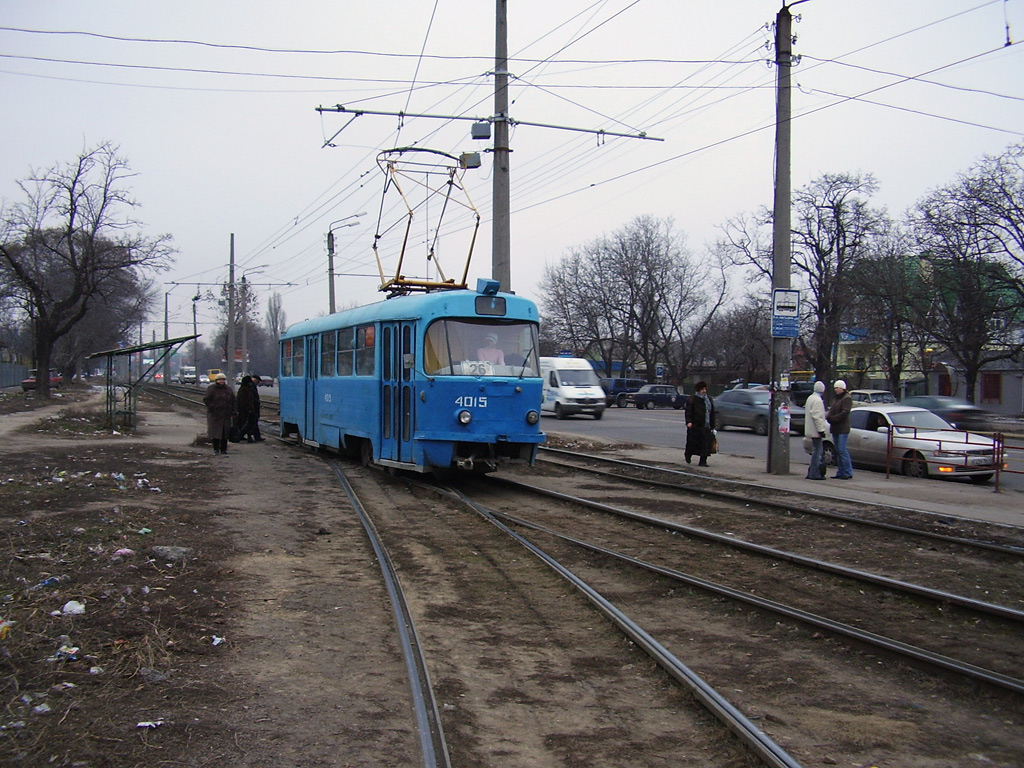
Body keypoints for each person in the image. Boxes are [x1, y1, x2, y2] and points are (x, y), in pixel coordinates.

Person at [826, 379, 854, 479]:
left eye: (837, 388)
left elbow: (844, 413)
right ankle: (841, 471)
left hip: (842, 428)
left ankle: (847, 471)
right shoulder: (836, 398)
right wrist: (829, 417)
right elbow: (832, 410)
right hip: (835, 427)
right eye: (835, 388)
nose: (835, 390)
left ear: (842, 388)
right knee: (838, 450)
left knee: (842, 450)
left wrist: (833, 418)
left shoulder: (847, 398)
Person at [684, 380, 716, 467]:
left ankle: (703, 461)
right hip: (695, 425)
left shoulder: (709, 399)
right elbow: (688, 411)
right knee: (692, 443)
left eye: (705, 389)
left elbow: (712, 413)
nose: (704, 391)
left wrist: (712, 425)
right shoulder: (693, 399)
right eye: (702, 389)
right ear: (698, 390)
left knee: (705, 444)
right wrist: (689, 422)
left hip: (706, 425)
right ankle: (688, 455)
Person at [203, 373, 236, 455]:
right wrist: (213, 407)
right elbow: (206, 399)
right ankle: (216, 449)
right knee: (216, 433)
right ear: (216, 380)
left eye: (223, 380)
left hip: (226, 414)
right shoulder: (211, 388)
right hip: (215, 415)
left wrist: (234, 410)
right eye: (220, 380)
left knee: (225, 433)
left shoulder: (228, 389)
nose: (221, 381)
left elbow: (233, 400)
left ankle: (224, 450)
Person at [804, 381, 828, 480]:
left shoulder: (810, 398)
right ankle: (814, 473)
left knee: (816, 451)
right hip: (815, 430)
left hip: (810, 429)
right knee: (817, 452)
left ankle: (811, 472)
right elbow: (817, 417)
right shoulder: (818, 401)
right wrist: (821, 430)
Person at [236, 375, 262, 443]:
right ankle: (240, 436)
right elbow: (247, 400)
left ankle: (251, 437)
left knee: (249, 424)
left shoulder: (243, 388)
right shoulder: (246, 389)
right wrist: (250, 408)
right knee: (248, 424)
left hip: (246, 409)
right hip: (247, 410)